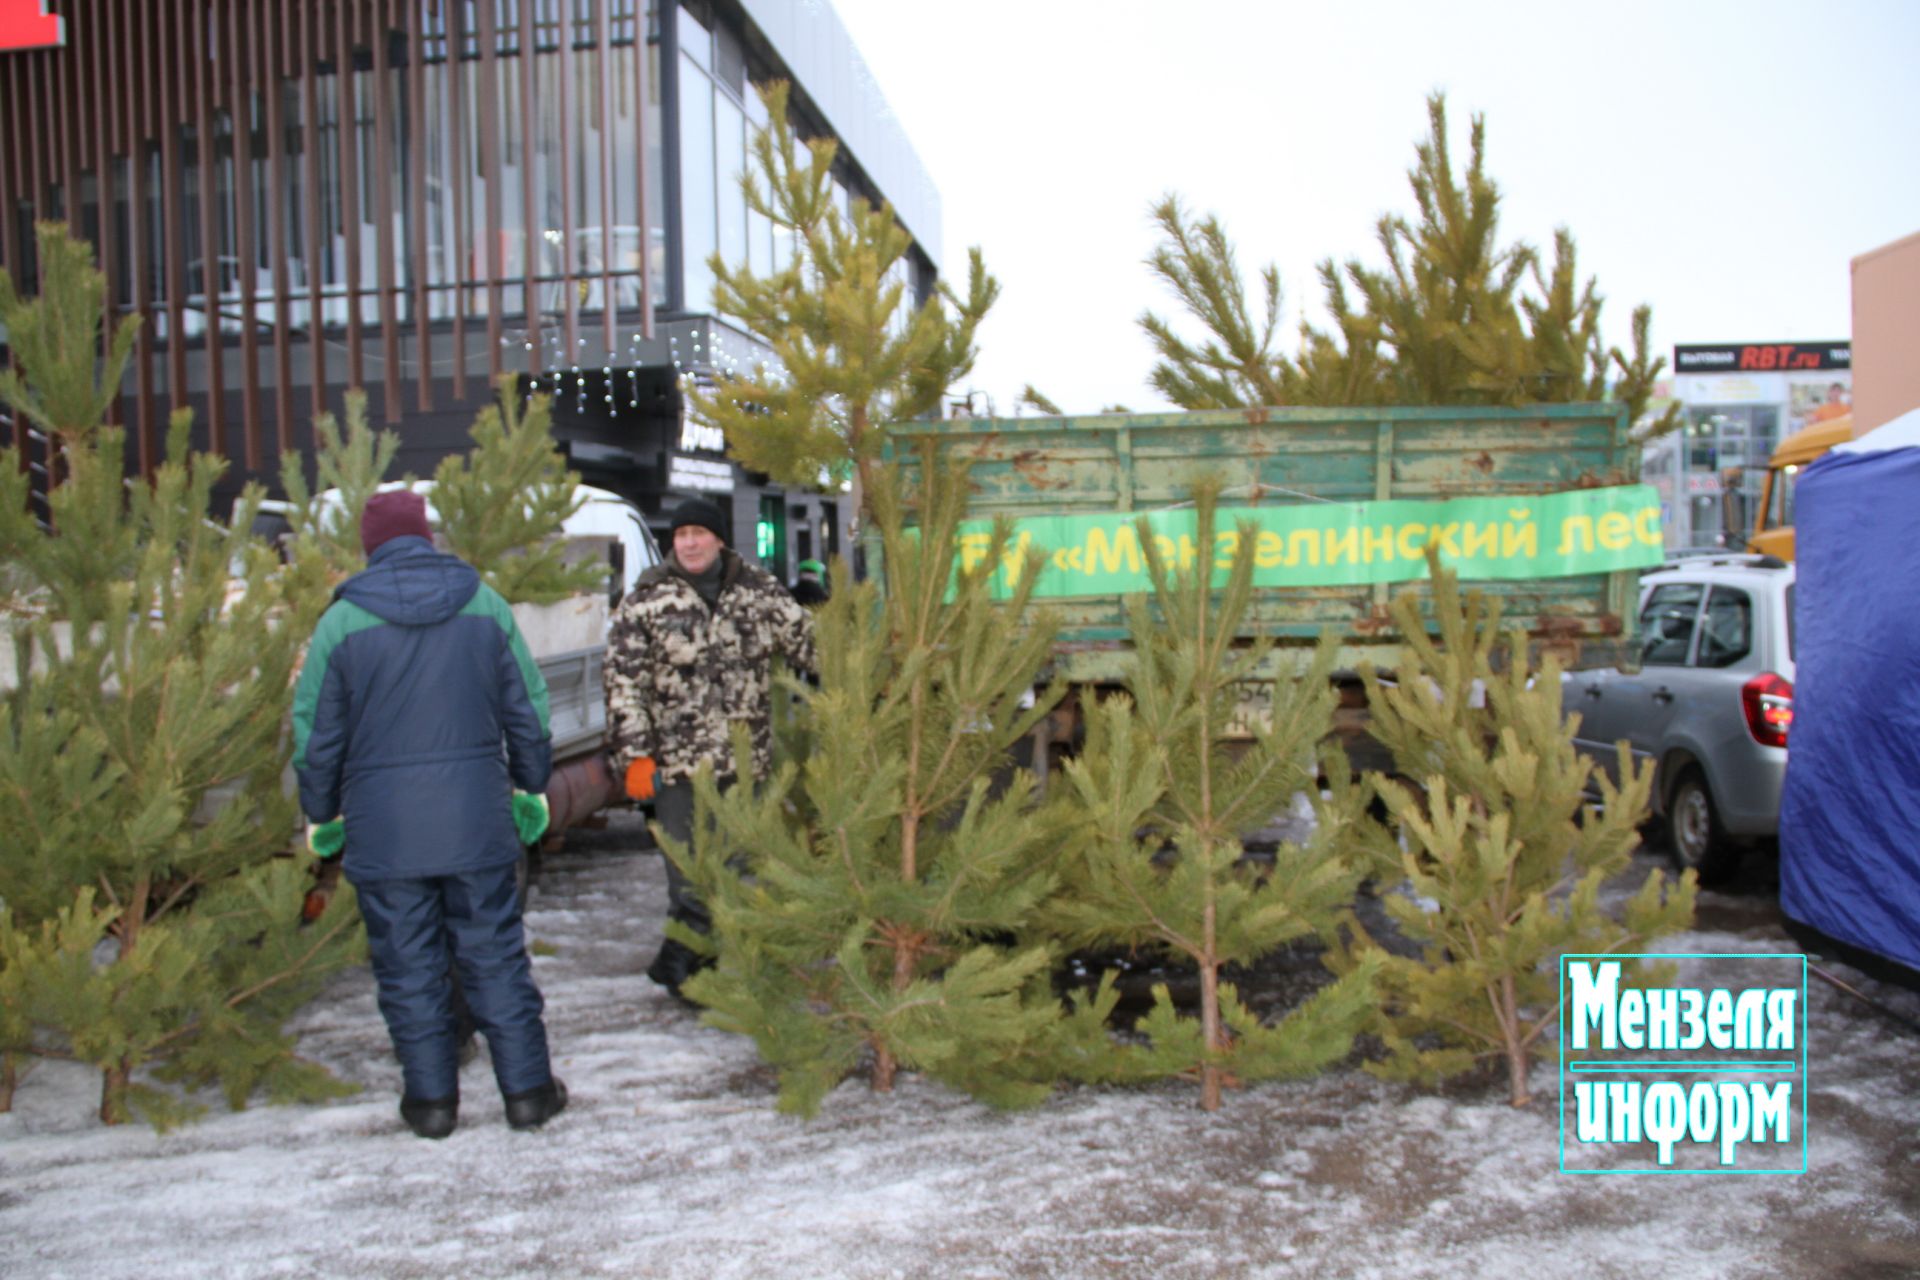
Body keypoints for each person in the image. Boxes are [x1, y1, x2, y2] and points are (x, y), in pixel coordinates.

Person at [292, 490, 567, 1139]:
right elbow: (528, 707)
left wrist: (322, 811)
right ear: (427, 537)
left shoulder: (341, 623)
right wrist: (531, 788)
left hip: (386, 832)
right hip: (475, 820)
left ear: (371, 545)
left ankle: (432, 1105)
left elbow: (315, 734)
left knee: (407, 963)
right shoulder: (483, 602)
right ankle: (527, 1093)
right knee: (496, 956)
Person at [604, 496, 816, 998]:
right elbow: (623, 683)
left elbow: (811, 644)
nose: (691, 543)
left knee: (745, 869)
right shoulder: (646, 601)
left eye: (700, 533)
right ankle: (690, 977)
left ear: (719, 539)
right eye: (682, 535)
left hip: (746, 763)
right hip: (677, 769)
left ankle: (736, 973)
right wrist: (636, 756)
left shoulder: (758, 593)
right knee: (688, 874)